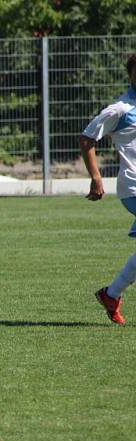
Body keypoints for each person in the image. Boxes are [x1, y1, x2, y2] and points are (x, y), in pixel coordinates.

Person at [81, 53, 136, 325]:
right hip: (133, 186)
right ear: (130, 75)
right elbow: (87, 138)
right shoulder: (120, 109)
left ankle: (111, 294)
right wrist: (96, 177)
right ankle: (111, 294)